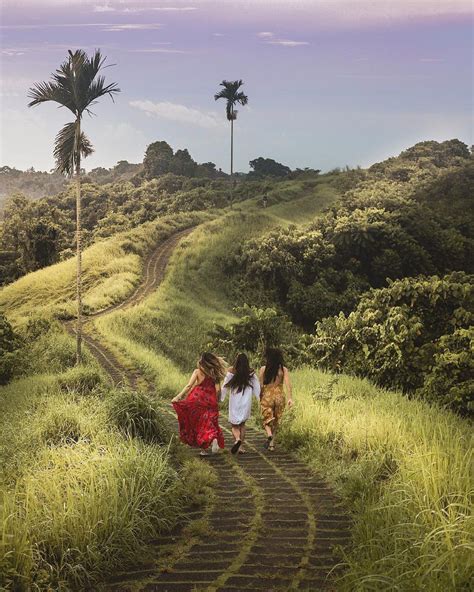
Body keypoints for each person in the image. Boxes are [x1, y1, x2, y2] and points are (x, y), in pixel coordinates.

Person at [172, 352, 227, 456]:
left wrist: (178, 397)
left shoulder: (197, 371)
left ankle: (204, 450)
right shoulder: (214, 373)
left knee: (199, 424)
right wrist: (218, 400)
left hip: (197, 399)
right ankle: (214, 438)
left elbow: (189, 386)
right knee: (210, 421)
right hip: (211, 400)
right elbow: (218, 390)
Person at [221, 353, 261, 455]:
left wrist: (220, 398)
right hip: (246, 401)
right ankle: (241, 447)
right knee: (242, 424)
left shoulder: (231, 372)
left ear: (236, 361)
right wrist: (259, 399)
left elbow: (224, 386)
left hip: (235, 401)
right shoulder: (251, 373)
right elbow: (257, 388)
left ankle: (237, 439)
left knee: (234, 425)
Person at [259, 348, 293, 451]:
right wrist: (290, 398)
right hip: (279, 396)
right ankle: (272, 444)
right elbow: (288, 385)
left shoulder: (263, 369)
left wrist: (260, 396)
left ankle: (269, 434)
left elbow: (260, 385)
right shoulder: (283, 369)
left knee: (267, 417)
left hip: (267, 395)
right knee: (276, 419)